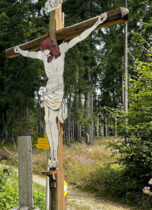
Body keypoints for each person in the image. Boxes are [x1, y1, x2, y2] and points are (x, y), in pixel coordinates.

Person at [13, 12, 107, 168]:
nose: (43, 54)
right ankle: (52, 154)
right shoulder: (43, 56)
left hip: (58, 87)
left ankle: (55, 153)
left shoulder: (62, 49)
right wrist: (20, 51)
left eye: (45, 51)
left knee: (53, 120)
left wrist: (96, 23)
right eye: (42, 52)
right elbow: (30, 53)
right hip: (49, 87)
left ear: (51, 49)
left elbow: (79, 38)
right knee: (47, 120)